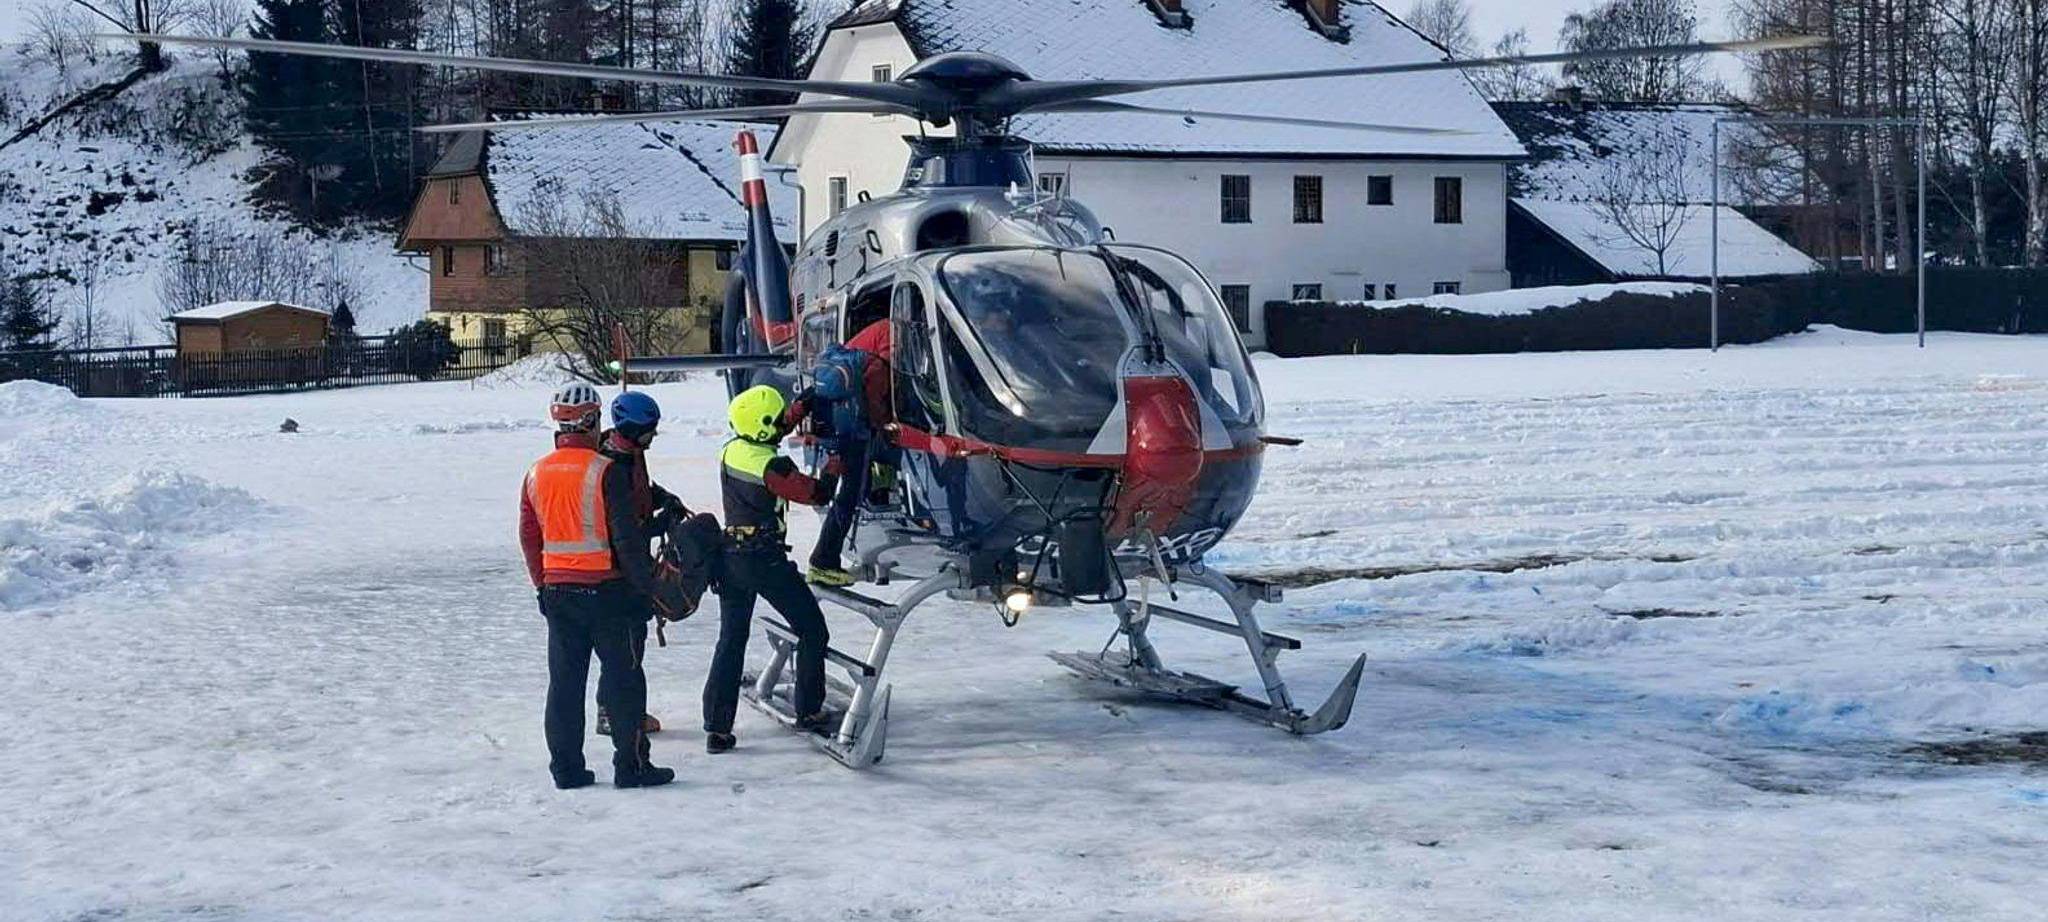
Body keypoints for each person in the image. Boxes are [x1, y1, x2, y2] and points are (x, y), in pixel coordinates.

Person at [520, 383, 683, 790]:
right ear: (591, 421)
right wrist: (648, 589)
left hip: (558, 593)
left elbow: (529, 535)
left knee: (565, 686)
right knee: (624, 681)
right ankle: (631, 767)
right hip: (609, 594)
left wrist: (542, 585)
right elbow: (625, 540)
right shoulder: (603, 471)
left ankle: (567, 770)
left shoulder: (536, 473)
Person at [703, 384, 840, 754]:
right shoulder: (773, 465)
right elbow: (816, 494)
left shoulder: (733, 450)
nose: (783, 422)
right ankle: (809, 711)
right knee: (812, 630)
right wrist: (834, 467)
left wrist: (797, 410)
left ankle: (717, 727)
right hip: (764, 560)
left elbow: (768, 430)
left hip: (730, 556)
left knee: (731, 639)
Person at [592, 390, 685, 739]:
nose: (653, 435)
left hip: (631, 558)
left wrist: (663, 499)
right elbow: (625, 528)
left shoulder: (630, 454)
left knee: (633, 641)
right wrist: (660, 526)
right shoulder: (612, 463)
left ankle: (621, 709)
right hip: (618, 565)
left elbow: (642, 490)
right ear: (630, 429)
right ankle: (614, 713)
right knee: (626, 642)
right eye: (649, 429)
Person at [802, 319, 896, 587]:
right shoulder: (879, 364)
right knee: (848, 497)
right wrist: (884, 426)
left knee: (838, 491)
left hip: (831, 427)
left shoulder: (851, 355)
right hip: (852, 435)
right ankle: (823, 562)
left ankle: (825, 554)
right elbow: (876, 404)